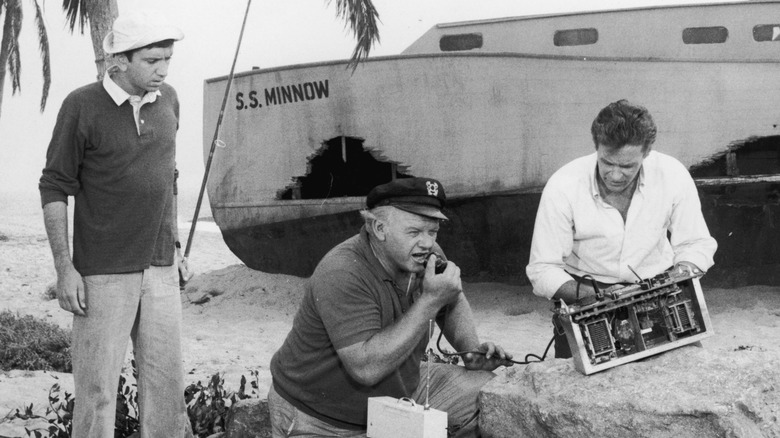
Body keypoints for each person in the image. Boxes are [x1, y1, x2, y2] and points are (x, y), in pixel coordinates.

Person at [38, 10, 192, 437]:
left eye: (167, 59)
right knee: (98, 393)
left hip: (160, 269)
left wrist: (175, 248)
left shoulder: (170, 101)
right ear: (118, 61)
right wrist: (65, 270)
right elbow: (54, 186)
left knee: (166, 391)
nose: (162, 70)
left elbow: (168, 178)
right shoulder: (81, 105)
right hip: (101, 272)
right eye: (151, 60)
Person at [268, 177, 514, 437]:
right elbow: (366, 368)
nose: (428, 243)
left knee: (485, 393)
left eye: (433, 231)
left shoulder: (423, 254)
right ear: (379, 228)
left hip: (401, 394)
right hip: (322, 418)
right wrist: (430, 300)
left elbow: (451, 298)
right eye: (414, 232)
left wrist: (471, 352)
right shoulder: (343, 271)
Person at [526, 99, 717, 358]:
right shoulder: (563, 185)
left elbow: (696, 243)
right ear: (596, 148)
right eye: (607, 162)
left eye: (627, 166)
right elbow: (542, 268)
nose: (616, 176)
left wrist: (678, 277)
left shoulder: (672, 173)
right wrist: (596, 297)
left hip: (659, 292)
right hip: (586, 296)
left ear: (646, 153)